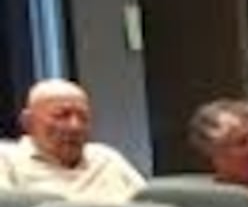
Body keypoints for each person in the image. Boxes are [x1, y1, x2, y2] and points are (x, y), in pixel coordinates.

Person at [1, 80, 147, 200]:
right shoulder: (7, 160)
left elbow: (149, 204)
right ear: (28, 122)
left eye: (84, 117)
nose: (75, 126)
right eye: (61, 115)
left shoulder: (106, 158)